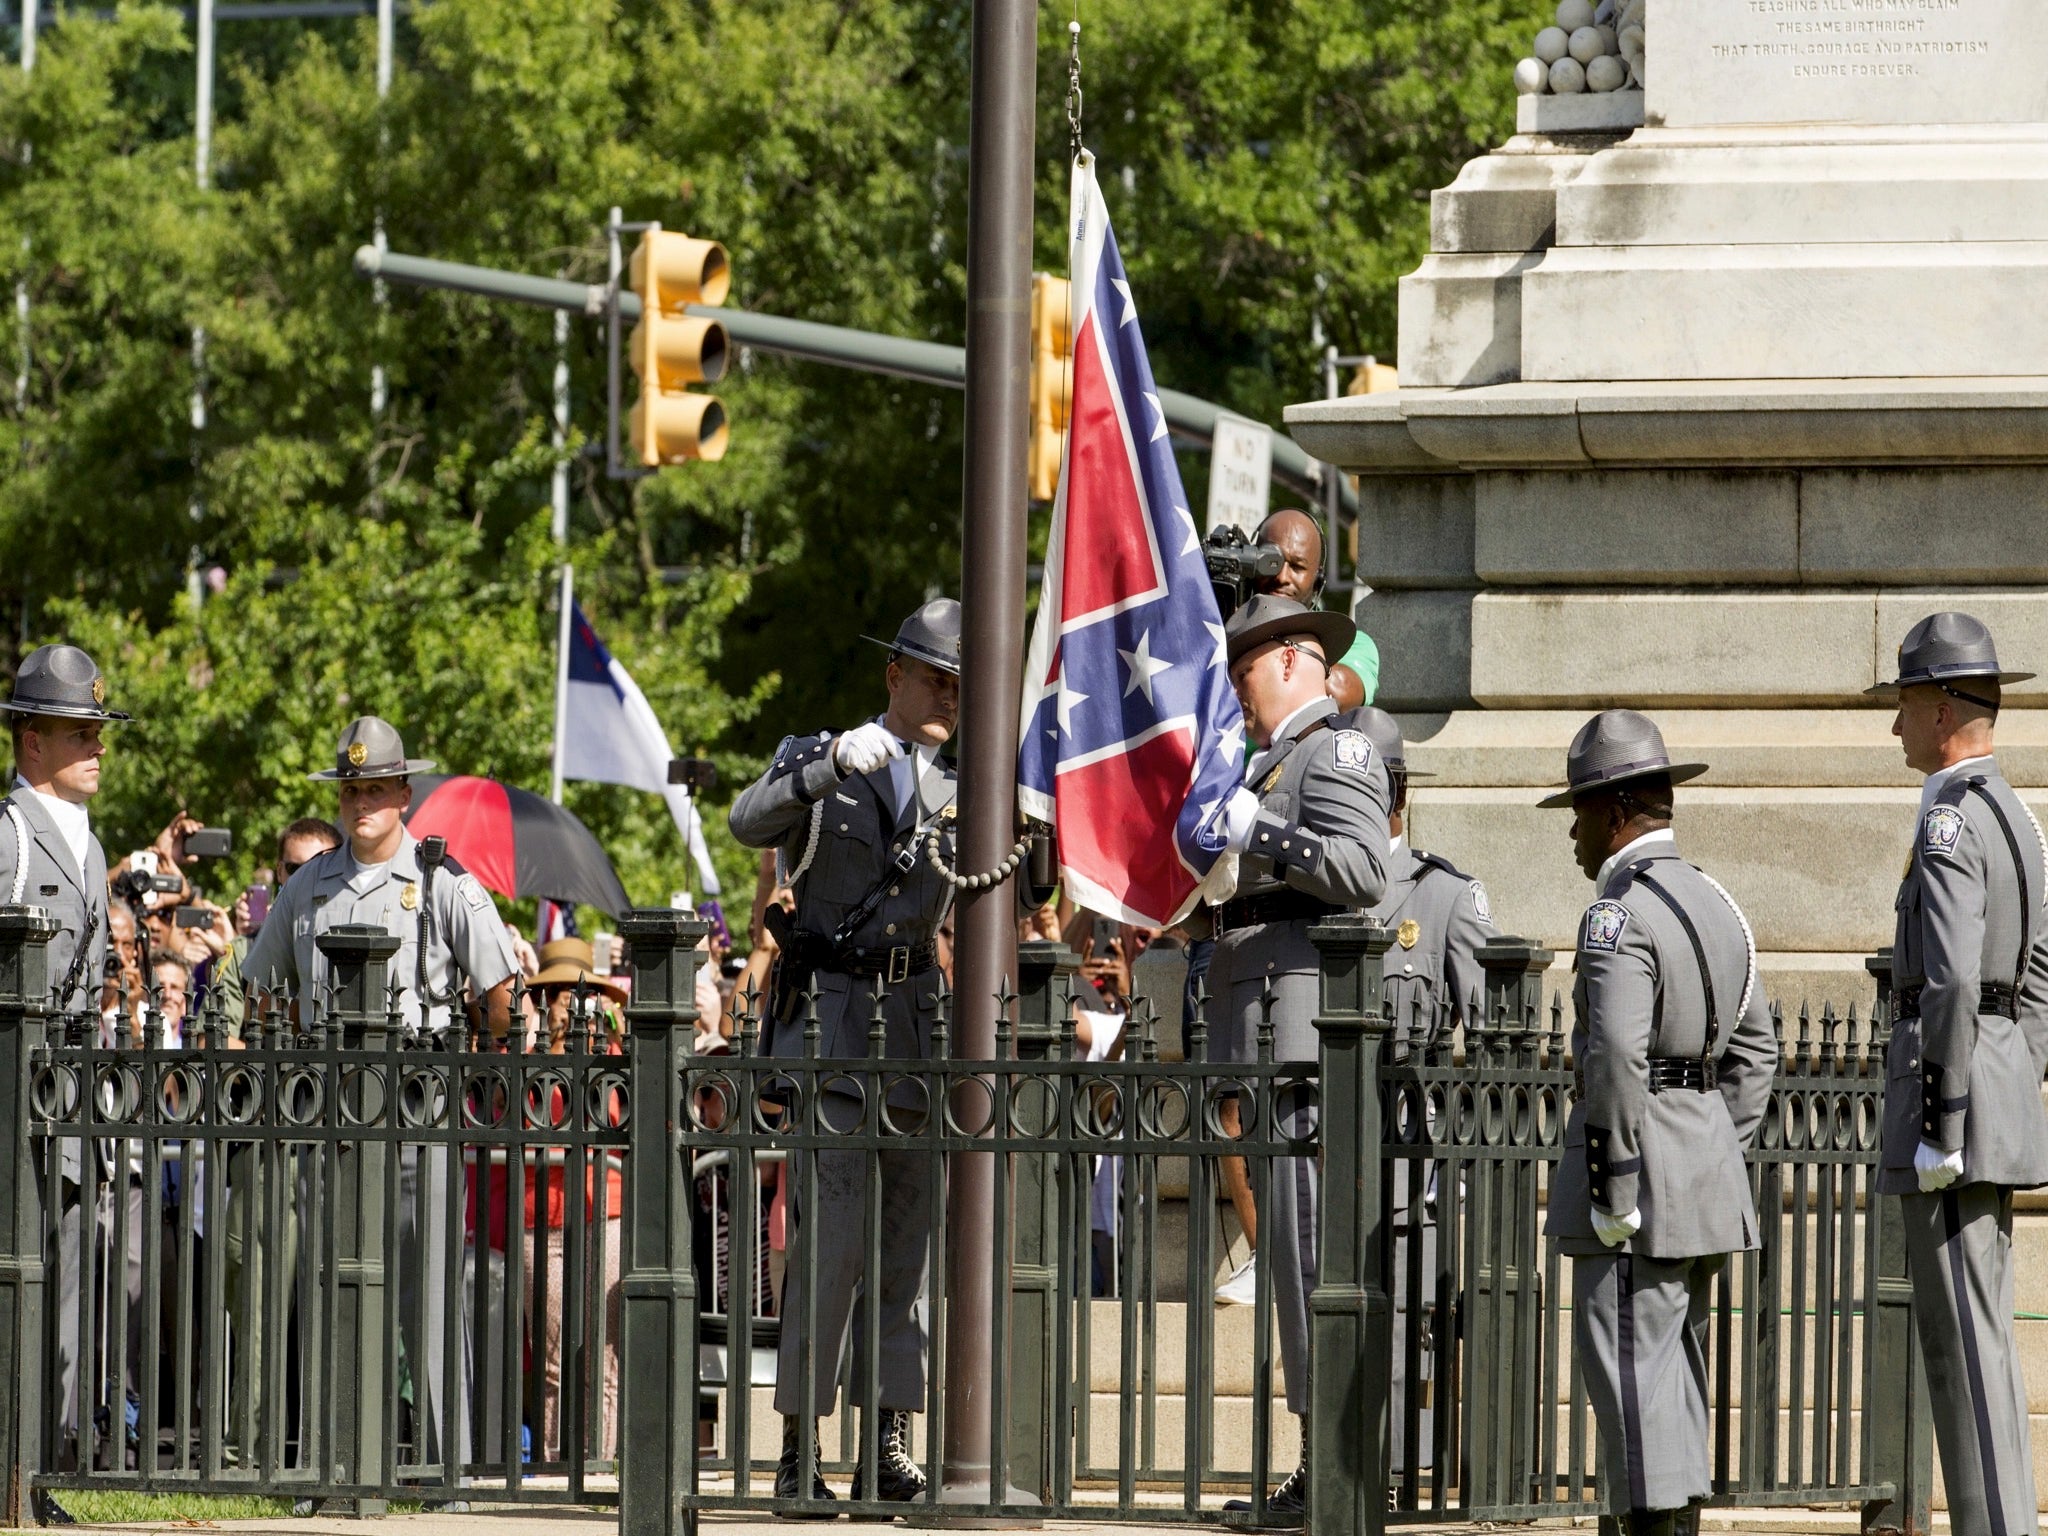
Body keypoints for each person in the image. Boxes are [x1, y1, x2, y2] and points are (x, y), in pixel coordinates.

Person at [727, 598, 963, 1508]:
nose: (946, 691)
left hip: (912, 1022)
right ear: (893, 675)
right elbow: (750, 821)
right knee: (828, 1249)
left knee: (904, 1254)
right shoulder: (823, 755)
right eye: (932, 674)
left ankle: (888, 1444)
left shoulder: (966, 781)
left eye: (958, 679)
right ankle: (799, 1450)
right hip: (831, 1022)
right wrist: (823, 768)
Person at [242, 717, 516, 1495]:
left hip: (419, 1113)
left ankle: (442, 1474)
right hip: (332, 1119)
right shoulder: (308, 882)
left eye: (376, 788)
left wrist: (471, 1065)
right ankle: (335, 1470)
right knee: (333, 1296)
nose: (362, 802)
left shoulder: (443, 881)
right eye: (350, 789)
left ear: (404, 793)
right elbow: (263, 988)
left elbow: (502, 993)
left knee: (427, 1302)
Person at [1540, 710, 1777, 1536]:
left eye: (1576, 812)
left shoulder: (1616, 916)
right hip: (1701, 1184)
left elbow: (1612, 1060)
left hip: (1636, 1193)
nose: (1571, 834)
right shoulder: (1720, 903)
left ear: (1612, 813)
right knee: (1674, 1380)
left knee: (1633, 1384)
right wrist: (1708, 1154)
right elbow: (1757, 1054)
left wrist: (1618, 1185)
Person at [1205, 593, 1393, 1522]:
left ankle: (1336, 1467)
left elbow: (1363, 871)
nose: (1236, 693)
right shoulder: (1272, 760)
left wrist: (1259, 832)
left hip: (1308, 1043)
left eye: (1243, 672)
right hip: (1267, 1040)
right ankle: (1323, 1459)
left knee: (1314, 1255)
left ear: (1288, 660)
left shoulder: (1339, 750)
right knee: (1290, 1258)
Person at [1869, 613, 2048, 1536]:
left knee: (1962, 1348)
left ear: (1941, 710)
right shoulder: (2016, 811)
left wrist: (1945, 1113)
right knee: (1984, 1340)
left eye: (1902, 703)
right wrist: (2013, 1074)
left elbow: (1944, 981)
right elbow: (2038, 975)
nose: (1894, 724)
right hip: (1995, 1098)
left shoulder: (1947, 816)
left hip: (1954, 1114)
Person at [1351, 707, 1497, 1479]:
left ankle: (1403, 1472)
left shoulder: (1444, 897)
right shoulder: (1316, 895)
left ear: (1392, 795)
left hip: (1414, 1157)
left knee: (1409, 1318)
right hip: (1331, 1150)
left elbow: (1492, 1042)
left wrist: (1467, 1169)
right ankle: (1331, 1469)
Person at [0, 644, 128, 1497]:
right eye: (78, 731)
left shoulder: (90, 847)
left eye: (99, 731)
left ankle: (42, 1470)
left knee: (71, 1299)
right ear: (30, 741)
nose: (96, 748)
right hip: (12, 1100)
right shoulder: (8, 834)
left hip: (74, 1101)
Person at [221, 816, 341, 1468]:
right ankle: (252, 1454)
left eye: (320, 863)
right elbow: (221, 1043)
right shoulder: (249, 952)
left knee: (333, 1307)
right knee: (263, 1311)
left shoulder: (356, 942)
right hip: (267, 1149)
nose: (307, 877)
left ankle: (330, 1454)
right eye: (293, 867)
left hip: (333, 1149)